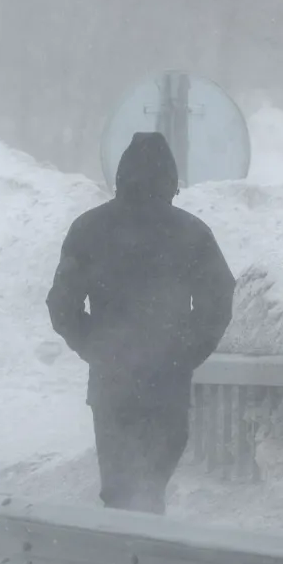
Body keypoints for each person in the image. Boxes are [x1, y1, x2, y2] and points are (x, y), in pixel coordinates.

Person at [46, 131, 235, 514]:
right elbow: (219, 299)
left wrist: (96, 347)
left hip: (112, 383)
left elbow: (61, 303)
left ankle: (119, 554)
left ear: (121, 175)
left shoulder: (90, 229)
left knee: (118, 487)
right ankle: (144, 549)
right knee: (151, 487)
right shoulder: (190, 232)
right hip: (168, 383)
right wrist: (186, 351)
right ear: (171, 179)